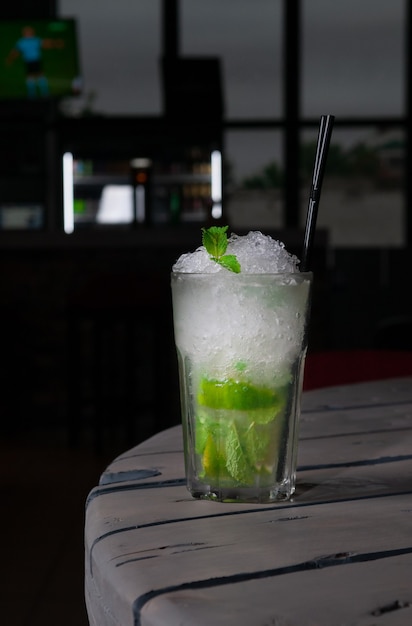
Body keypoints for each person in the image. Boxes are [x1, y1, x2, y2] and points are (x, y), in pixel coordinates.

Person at [6, 25, 64, 98]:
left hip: (36, 60)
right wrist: (10, 59)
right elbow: (16, 51)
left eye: (30, 32)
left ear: (32, 33)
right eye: (27, 32)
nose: (28, 34)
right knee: (30, 77)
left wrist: (56, 43)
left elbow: (46, 43)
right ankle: (31, 94)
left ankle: (45, 92)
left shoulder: (35, 40)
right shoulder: (21, 42)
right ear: (24, 33)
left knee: (40, 75)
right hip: (28, 61)